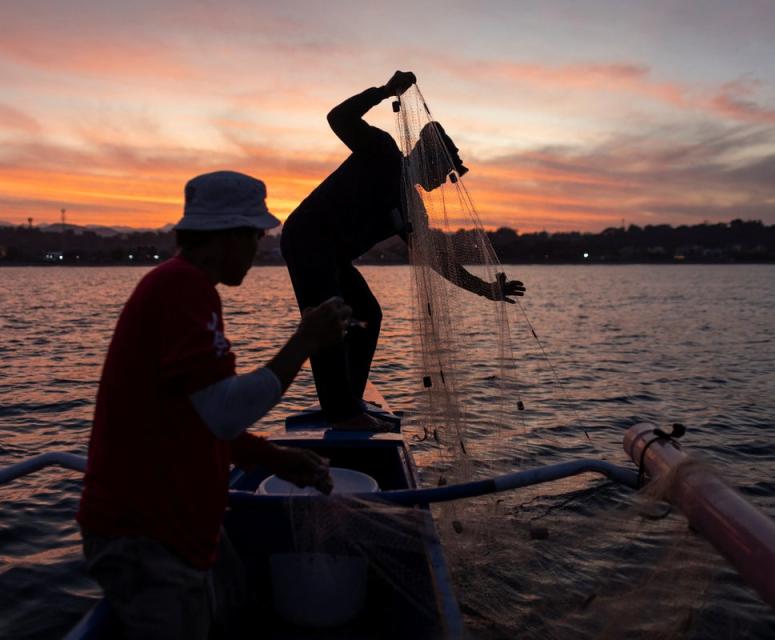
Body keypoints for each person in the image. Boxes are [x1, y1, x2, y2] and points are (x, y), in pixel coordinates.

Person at [77, 170, 350, 639]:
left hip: (177, 527)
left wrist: (274, 459)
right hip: (144, 536)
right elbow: (224, 411)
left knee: (235, 607)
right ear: (227, 237)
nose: (259, 249)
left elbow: (196, 417)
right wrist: (304, 341)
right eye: (255, 236)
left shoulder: (183, 288)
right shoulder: (182, 288)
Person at [281, 71, 525, 430]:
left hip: (332, 257)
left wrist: (486, 290)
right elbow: (338, 118)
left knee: (367, 314)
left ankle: (348, 400)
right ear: (428, 157)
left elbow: (436, 259)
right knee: (333, 321)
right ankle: (342, 413)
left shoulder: (412, 207)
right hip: (306, 241)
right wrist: (384, 92)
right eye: (445, 170)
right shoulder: (381, 151)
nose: (445, 181)